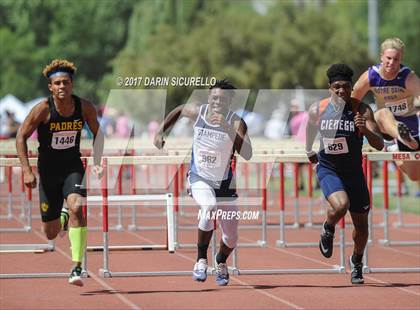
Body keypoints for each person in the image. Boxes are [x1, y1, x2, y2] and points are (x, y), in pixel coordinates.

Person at [154, 79, 252, 286]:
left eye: (222, 99)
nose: (217, 102)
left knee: (231, 238)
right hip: (199, 177)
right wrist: (160, 131)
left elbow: (248, 153)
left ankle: (221, 260)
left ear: (230, 101)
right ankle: (201, 260)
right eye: (214, 98)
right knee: (209, 207)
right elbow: (179, 110)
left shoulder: (236, 122)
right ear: (209, 97)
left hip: (225, 183)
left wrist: (226, 127)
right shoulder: (198, 112)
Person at [16, 59, 103, 286]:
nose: (62, 86)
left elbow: (99, 134)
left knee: (77, 206)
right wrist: (26, 170)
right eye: (58, 83)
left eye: (66, 82)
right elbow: (20, 136)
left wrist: (98, 161)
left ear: (72, 85)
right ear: (50, 87)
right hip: (48, 171)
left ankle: (76, 267)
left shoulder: (84, 107)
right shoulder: (43, 109)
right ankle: (62, 219)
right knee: (51, 233)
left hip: (73, 167)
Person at [305, 64, 383, 284]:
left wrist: (365, 130)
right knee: (341, 205)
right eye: (337, 87)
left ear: (351, 88)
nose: (341, 91)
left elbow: (379, 145)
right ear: (329, 87)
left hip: (354, 173)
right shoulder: (318, 108)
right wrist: (309, 149)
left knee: (361, 227)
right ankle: (328, 228)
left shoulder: (361, 110)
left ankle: (356, 262)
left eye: (346, 87)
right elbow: (310, 128)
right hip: (328, 168)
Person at [352, 37, 420, 181]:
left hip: (409, 127)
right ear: (381, 56)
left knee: (414, 176)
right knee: (382, 113)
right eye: (388, 58)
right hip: (383, 126)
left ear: (401, 60)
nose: (392, 63)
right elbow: (353, 100)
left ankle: (395, 148)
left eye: (396, 59)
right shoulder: (371, 76)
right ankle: (399, 138)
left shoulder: (408, 77)